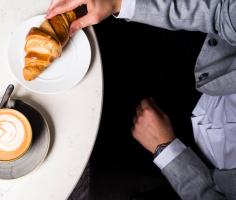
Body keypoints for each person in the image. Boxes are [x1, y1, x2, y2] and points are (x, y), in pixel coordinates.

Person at [47, 0, 236, 199]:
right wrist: (118, 3)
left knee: (92, 158)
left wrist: (167, 150)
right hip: (214, 69)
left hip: (194, 160)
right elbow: (224, 13)